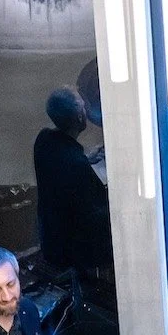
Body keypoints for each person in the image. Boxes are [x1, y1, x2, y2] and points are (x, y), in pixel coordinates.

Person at [32, 88, 113, 273]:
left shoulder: (43, 140)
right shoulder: (76, 165)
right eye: (84, 107)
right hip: (72, 250)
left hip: (50, 237)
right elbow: (95, 214)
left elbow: (61, 164)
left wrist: (86, 158)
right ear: (79, 118)